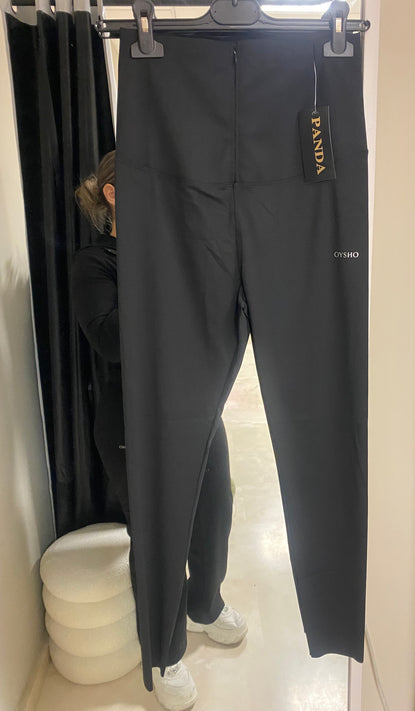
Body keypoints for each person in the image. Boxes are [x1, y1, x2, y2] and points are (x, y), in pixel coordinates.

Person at [71, 150, 247, 711]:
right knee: (157, 536)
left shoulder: (178, 253)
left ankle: (205, 605)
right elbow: (111, 341)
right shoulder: (94, 263)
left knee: (215, 512)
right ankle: (165, 652)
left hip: (197, 410)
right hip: (133, 423)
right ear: (114, 194)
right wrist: (160, 274)